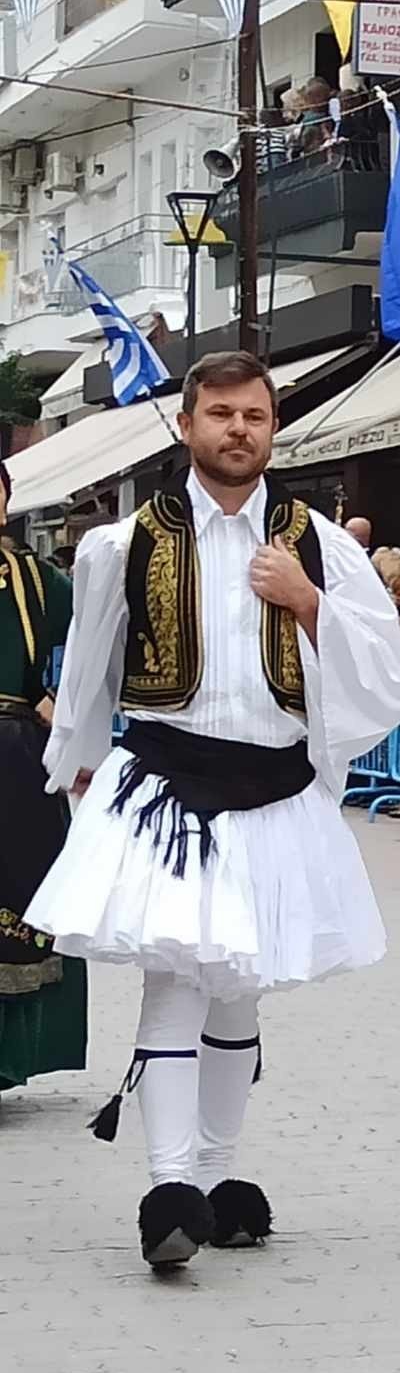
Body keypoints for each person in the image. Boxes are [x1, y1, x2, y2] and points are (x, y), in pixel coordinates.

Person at [26, 352, 400, 1268]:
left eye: (256, 415)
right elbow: (88, 666)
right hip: (165, 783)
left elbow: (387, 675)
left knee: (238, 991)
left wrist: (308, 601)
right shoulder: (120, 544)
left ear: (274, 427)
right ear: (188, 425)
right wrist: (73, 766)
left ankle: (214, 1174)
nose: (239, 430)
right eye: (221, 414)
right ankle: (168, 1187)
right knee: (174, 981)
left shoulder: (321, 542)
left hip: (273, 789)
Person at [0, 469, 87, 1101]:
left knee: (18, 901)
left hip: (14, 759)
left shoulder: (33, 578)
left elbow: (107, 627)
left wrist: (65, 701)